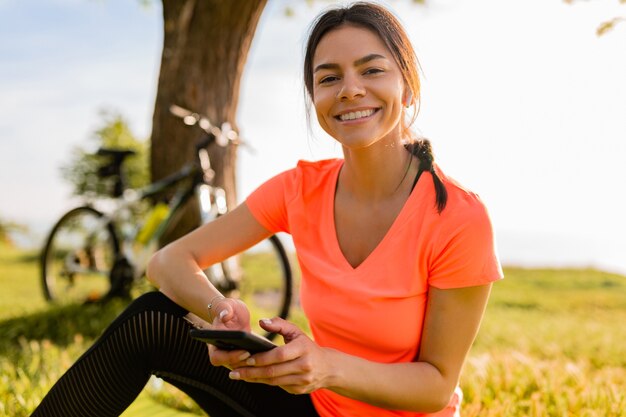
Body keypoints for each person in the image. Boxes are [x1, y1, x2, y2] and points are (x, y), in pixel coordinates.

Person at [32, 2, 503, 416]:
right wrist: (222, 313)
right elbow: (167, 262)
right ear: (315, 98)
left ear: (409, 87)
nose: (350, 89)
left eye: (372, 69)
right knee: (151, 317)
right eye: (329, 77)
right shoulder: (300, 189)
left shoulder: (458, 218)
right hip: (312, 407)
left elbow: (436, 386)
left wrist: (327, 367)